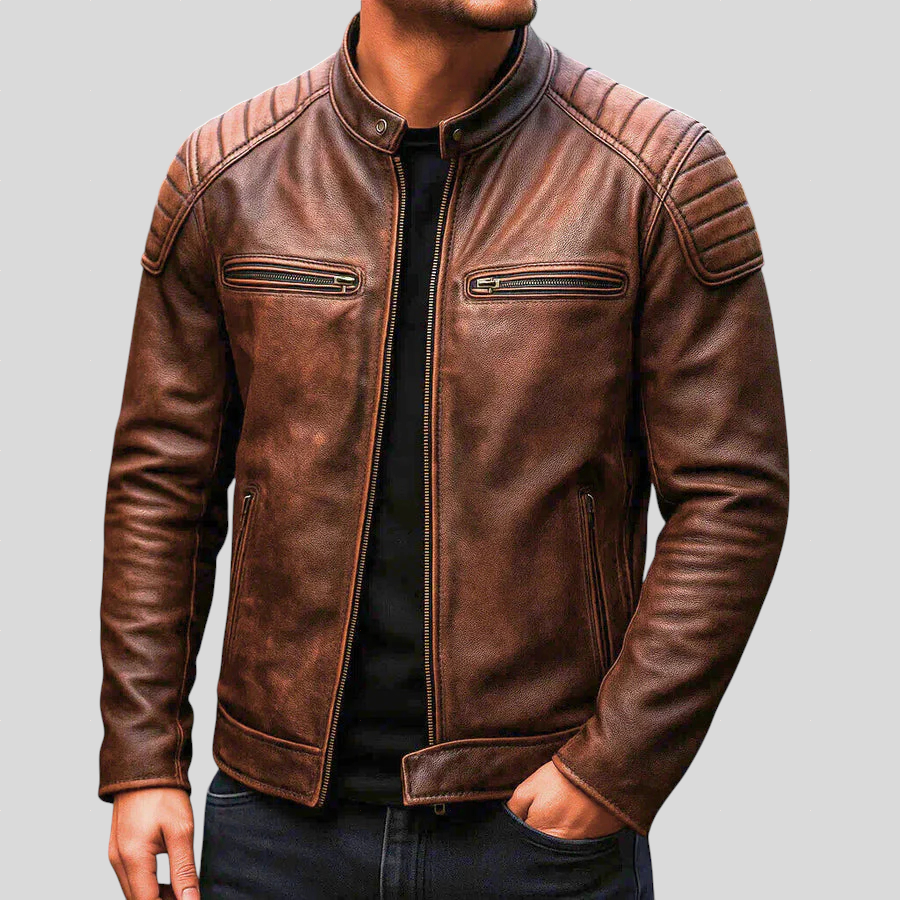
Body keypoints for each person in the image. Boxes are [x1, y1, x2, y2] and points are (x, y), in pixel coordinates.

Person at [98, 1, 789, 897]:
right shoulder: (227, 175)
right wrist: (143, 759)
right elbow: (163, 483)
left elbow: (734, 495)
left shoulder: (655, 173)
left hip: (535, 836)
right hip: (275, 832)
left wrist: (613, 769)